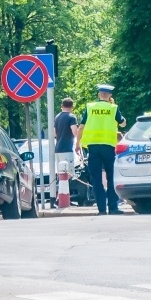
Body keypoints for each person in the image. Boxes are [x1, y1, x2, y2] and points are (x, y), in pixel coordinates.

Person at [75, 84, 126, 215]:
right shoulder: (113, 108)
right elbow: (123, 123)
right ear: (110, 96)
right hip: (109, 147)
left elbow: (81, 127)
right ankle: (113, 208)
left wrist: (77, 144)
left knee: (96, 179)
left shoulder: (90, 107)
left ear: (99, 94)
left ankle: (102, 209)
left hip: (93, 148)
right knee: (111, 178)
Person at [54, 97, 79, 176]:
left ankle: (61, 188)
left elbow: (54, 133)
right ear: (72, 106)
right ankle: (68, 188)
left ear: (62, 106)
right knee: (69, 174)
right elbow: (74, 132)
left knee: (61, 174)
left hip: (58, 150)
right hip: (67, 149)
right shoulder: (71, 117)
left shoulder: (57, 117)